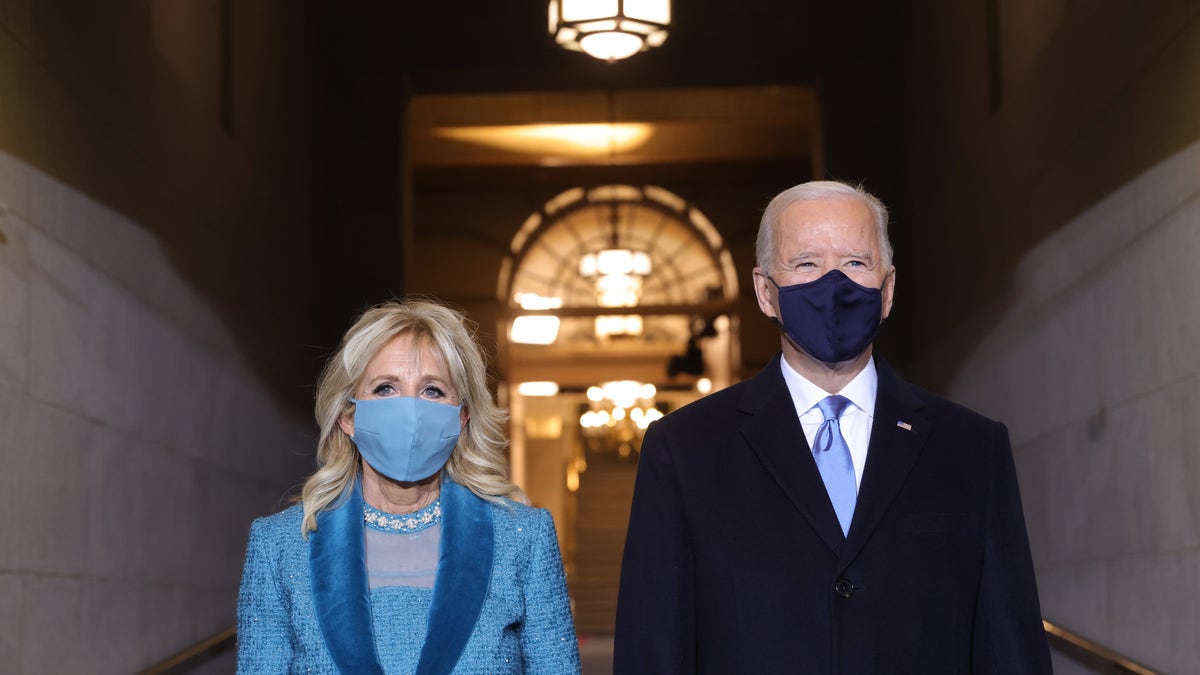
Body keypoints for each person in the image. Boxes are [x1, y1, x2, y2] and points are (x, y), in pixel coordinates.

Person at [614, 181, 1051, 673]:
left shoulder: (971, 448)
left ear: (886, 291)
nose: (834, 284)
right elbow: (651, 649)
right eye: (806, 264)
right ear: (764, 292)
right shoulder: (685, 449)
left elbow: (1011, 647)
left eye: (855, 263)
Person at [237, 298, 581, 674]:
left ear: (461, 416)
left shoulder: (523, 538)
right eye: (385, 388)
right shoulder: (280, 546)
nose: (411, 412)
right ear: (347, 416)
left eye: (432, 390)